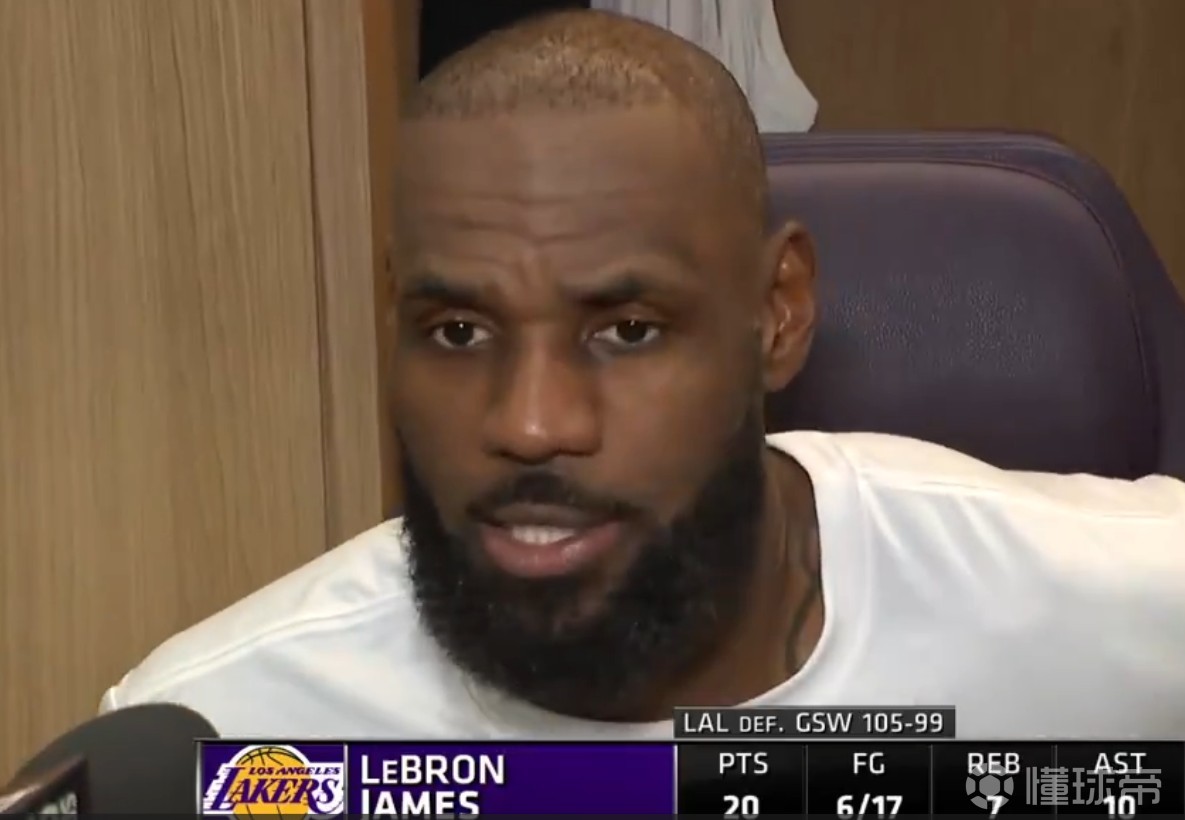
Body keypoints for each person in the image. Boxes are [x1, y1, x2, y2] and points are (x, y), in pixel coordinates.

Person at [100, 10, 1185, 740]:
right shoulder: (223, 739)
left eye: (626, 329)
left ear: (776, 311)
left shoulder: (1117, 602)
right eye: (459, 331)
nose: (531, 424)